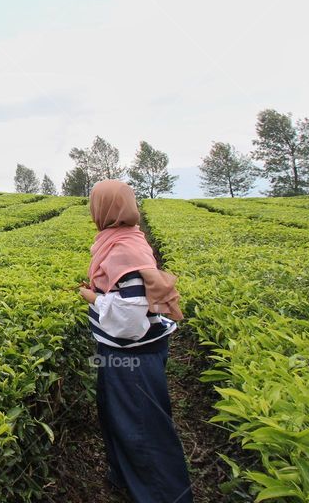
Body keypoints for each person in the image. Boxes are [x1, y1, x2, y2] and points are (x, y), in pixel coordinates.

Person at [78, 179, 194, 503]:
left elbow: (130, 317)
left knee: (142, 430)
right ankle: (128, 479)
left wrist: (93, 299)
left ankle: (164, 496)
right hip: (129, 353)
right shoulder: (124, 238)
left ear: (104, 210)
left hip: (132, 356)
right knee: (123, 419)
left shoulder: (121, 250)